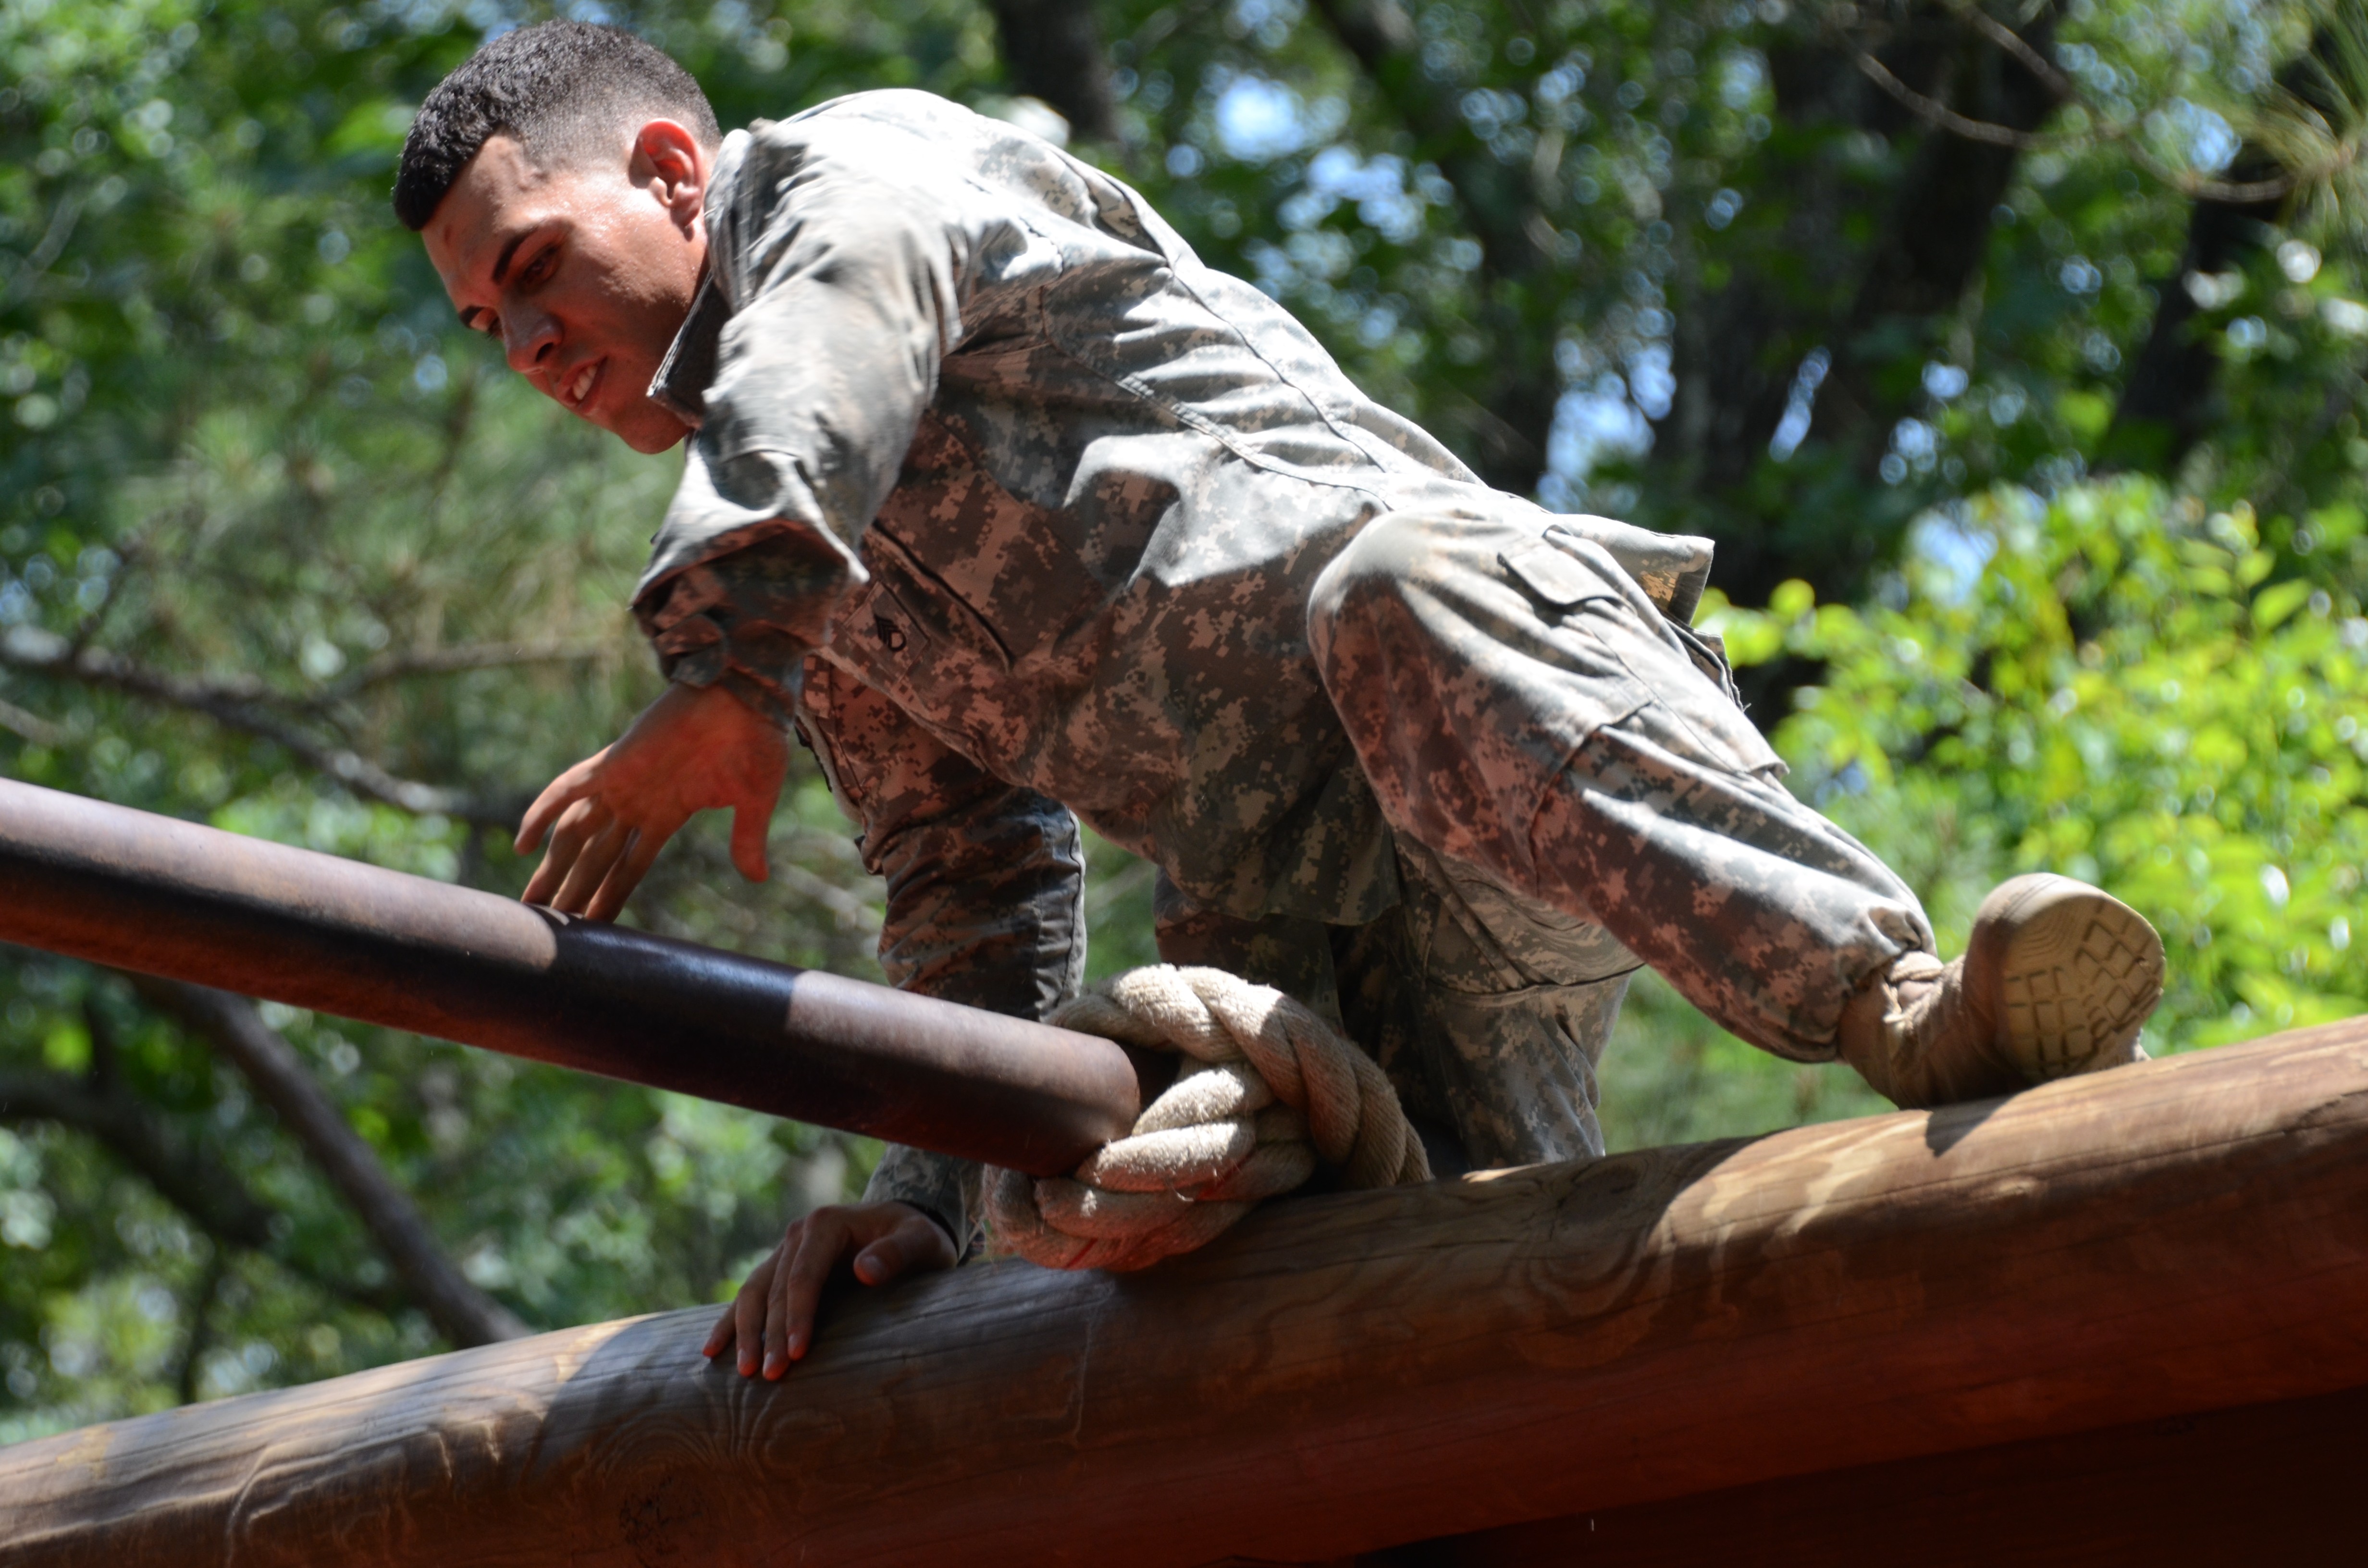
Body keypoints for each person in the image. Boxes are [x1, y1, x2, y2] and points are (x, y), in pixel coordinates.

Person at [397, 22, 2166, 1381]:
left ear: (672, 171)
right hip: (1293, 930)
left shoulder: (861, 185)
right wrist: (923, 1201)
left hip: (1513, 745)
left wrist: (730, 675)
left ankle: (1910, 1006)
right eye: (486, 325)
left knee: (1399, 582)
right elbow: (970, 886)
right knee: (1419, 1348)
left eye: (537, 265)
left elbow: (828, 351)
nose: (529, 348)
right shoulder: (797, 535)